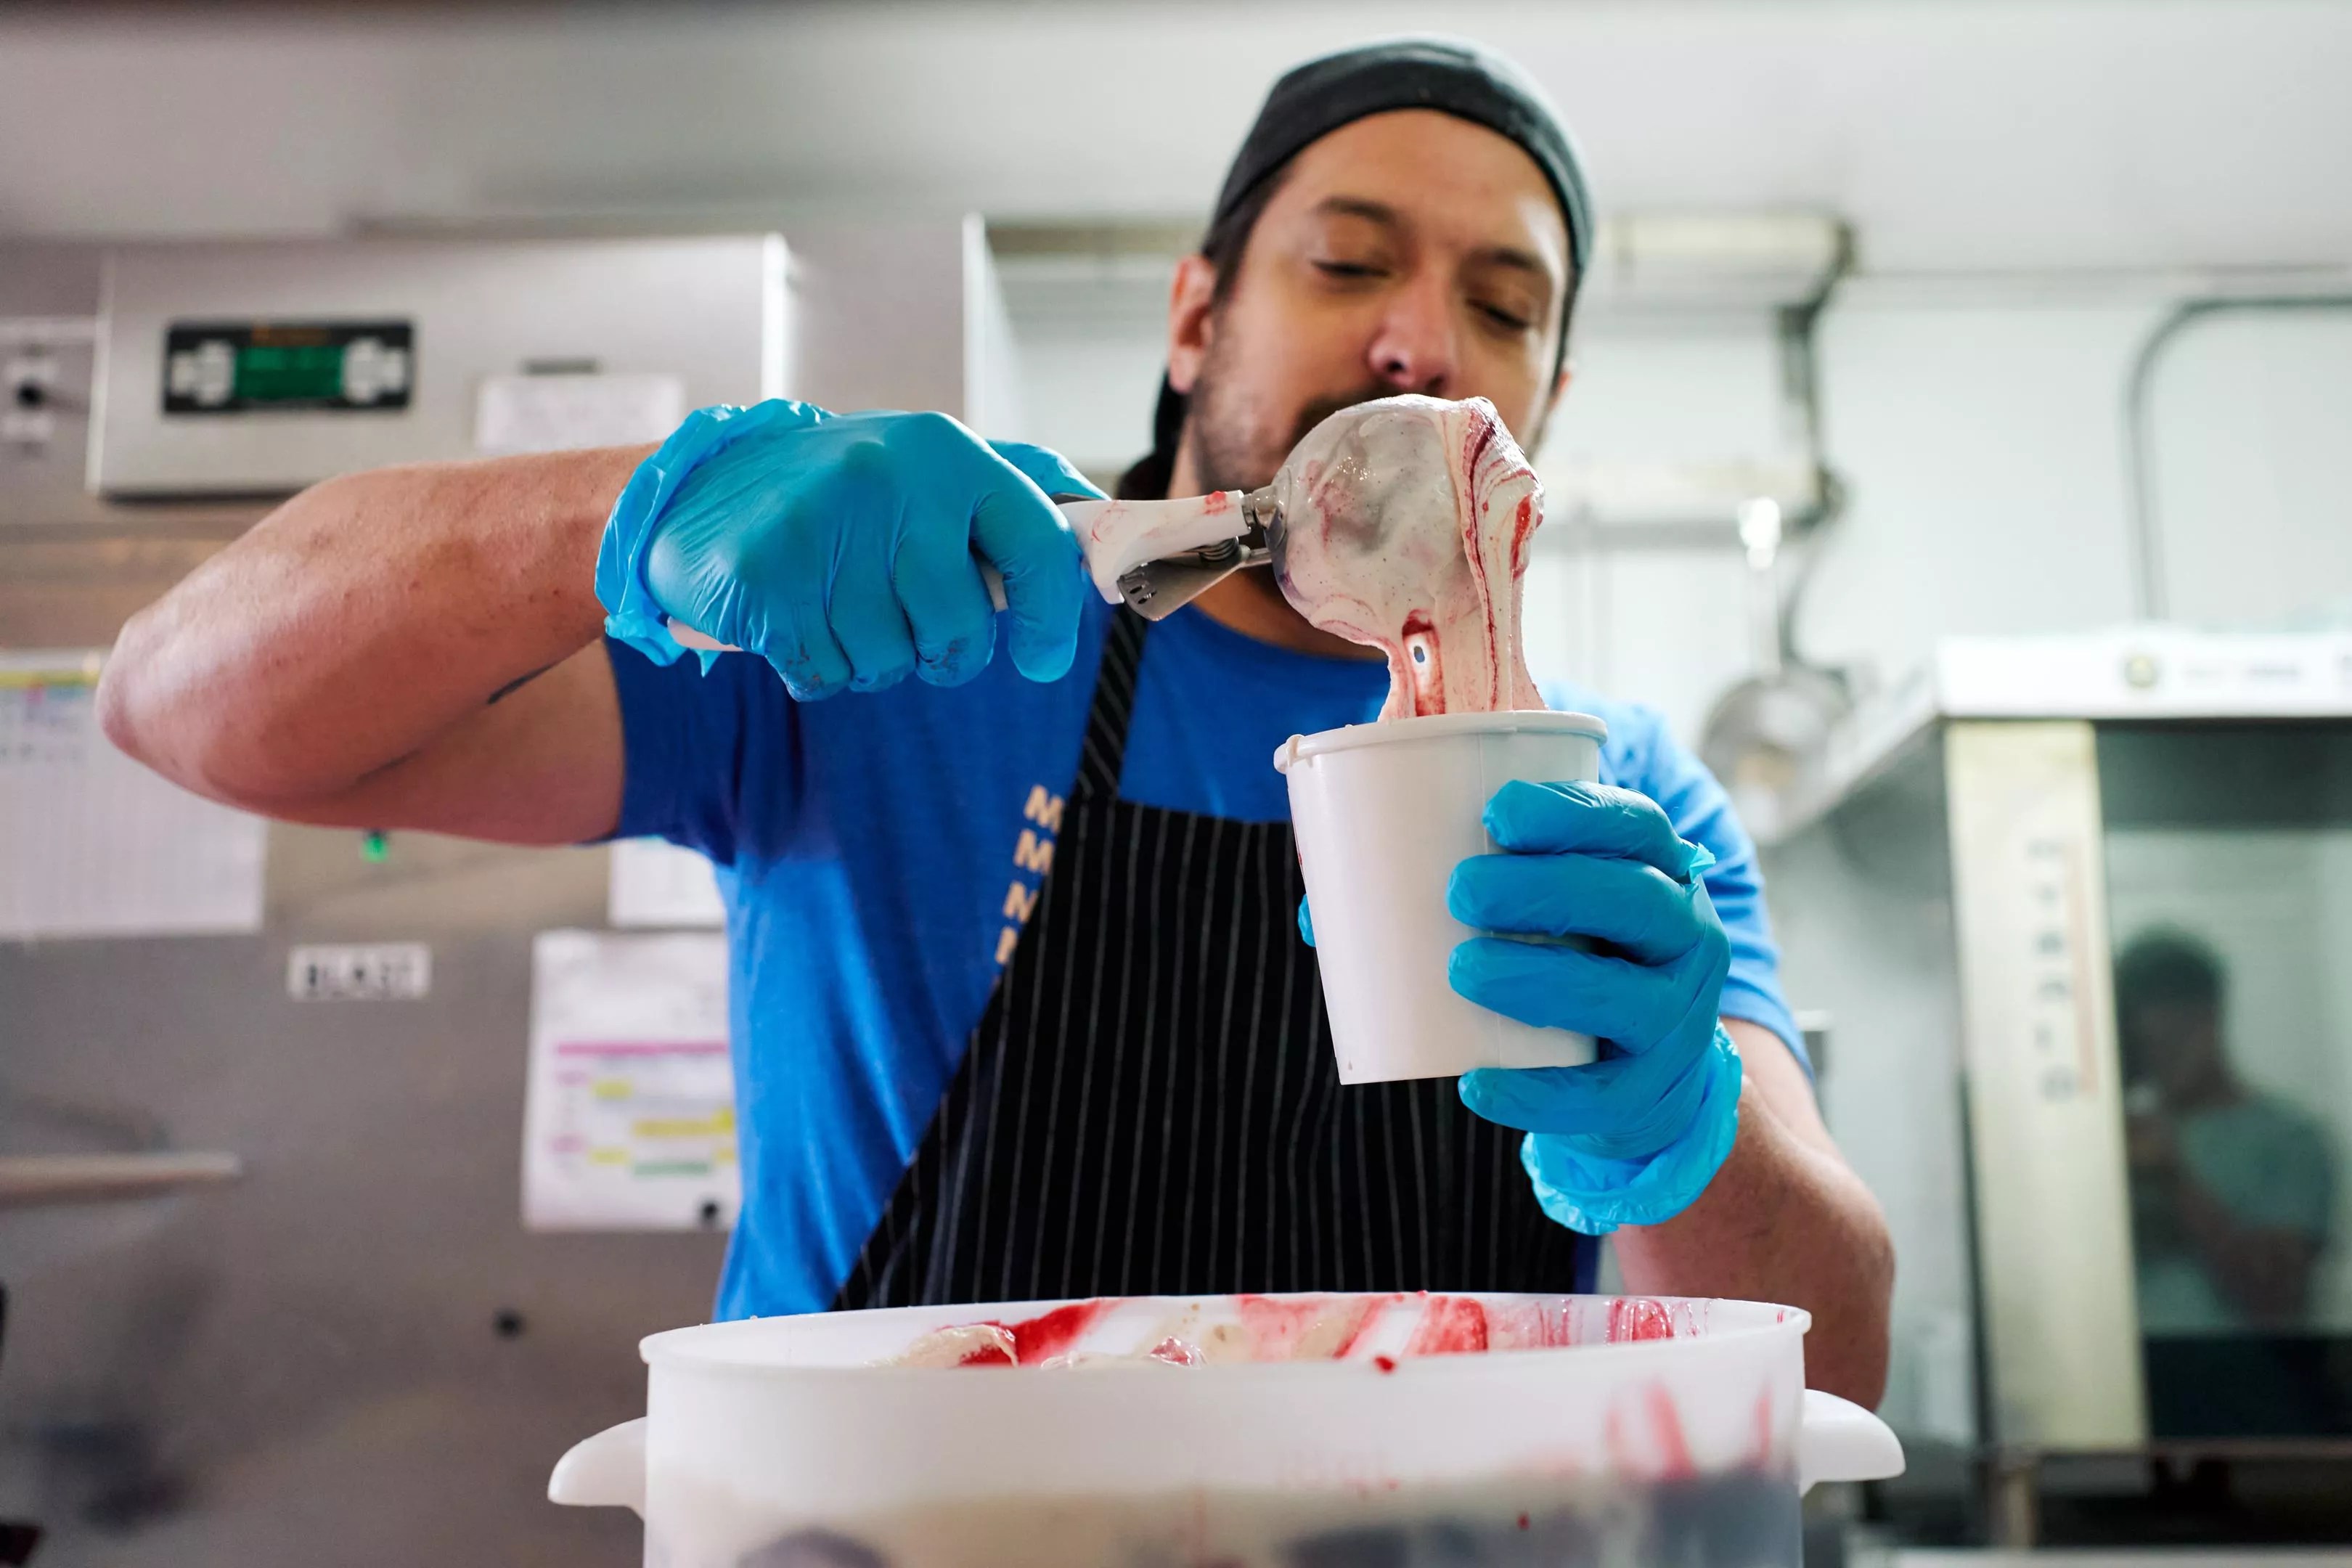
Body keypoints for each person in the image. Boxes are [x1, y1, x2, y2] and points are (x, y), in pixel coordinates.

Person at [98, 39, 1892, 1400]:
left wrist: (1681, 1117)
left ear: (1542, 400)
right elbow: (186, 708)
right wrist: (634, 512)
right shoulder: (902, 660)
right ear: (1193, 318)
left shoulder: (1610, 791)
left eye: (1500, 306)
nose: (1419, 342)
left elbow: (1824, 1367)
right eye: (1347, 266)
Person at [2118, 930, 2335, 1334]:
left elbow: (2277, 1295)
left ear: (2208, 1020)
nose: (2158, 1060)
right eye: (2144, 1045)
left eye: (2172, 1041)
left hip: (2245, 1381)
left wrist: (2173, 1176)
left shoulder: (2289, 1139)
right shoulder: (2119, 1139)